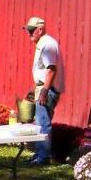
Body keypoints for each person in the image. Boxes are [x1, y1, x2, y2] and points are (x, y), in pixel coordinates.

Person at [27, 16, 64, 165]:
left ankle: (43, 157)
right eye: (28, 30)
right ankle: (39, 154)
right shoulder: (43, 44)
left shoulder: (47, 44)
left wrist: (43, 91)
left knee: (43, 122)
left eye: (32, 30)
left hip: (48, 89)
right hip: (43, 87)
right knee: (40, 122)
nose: (29, 33)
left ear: (40, 29)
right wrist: (34, 89)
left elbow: (51, 69)